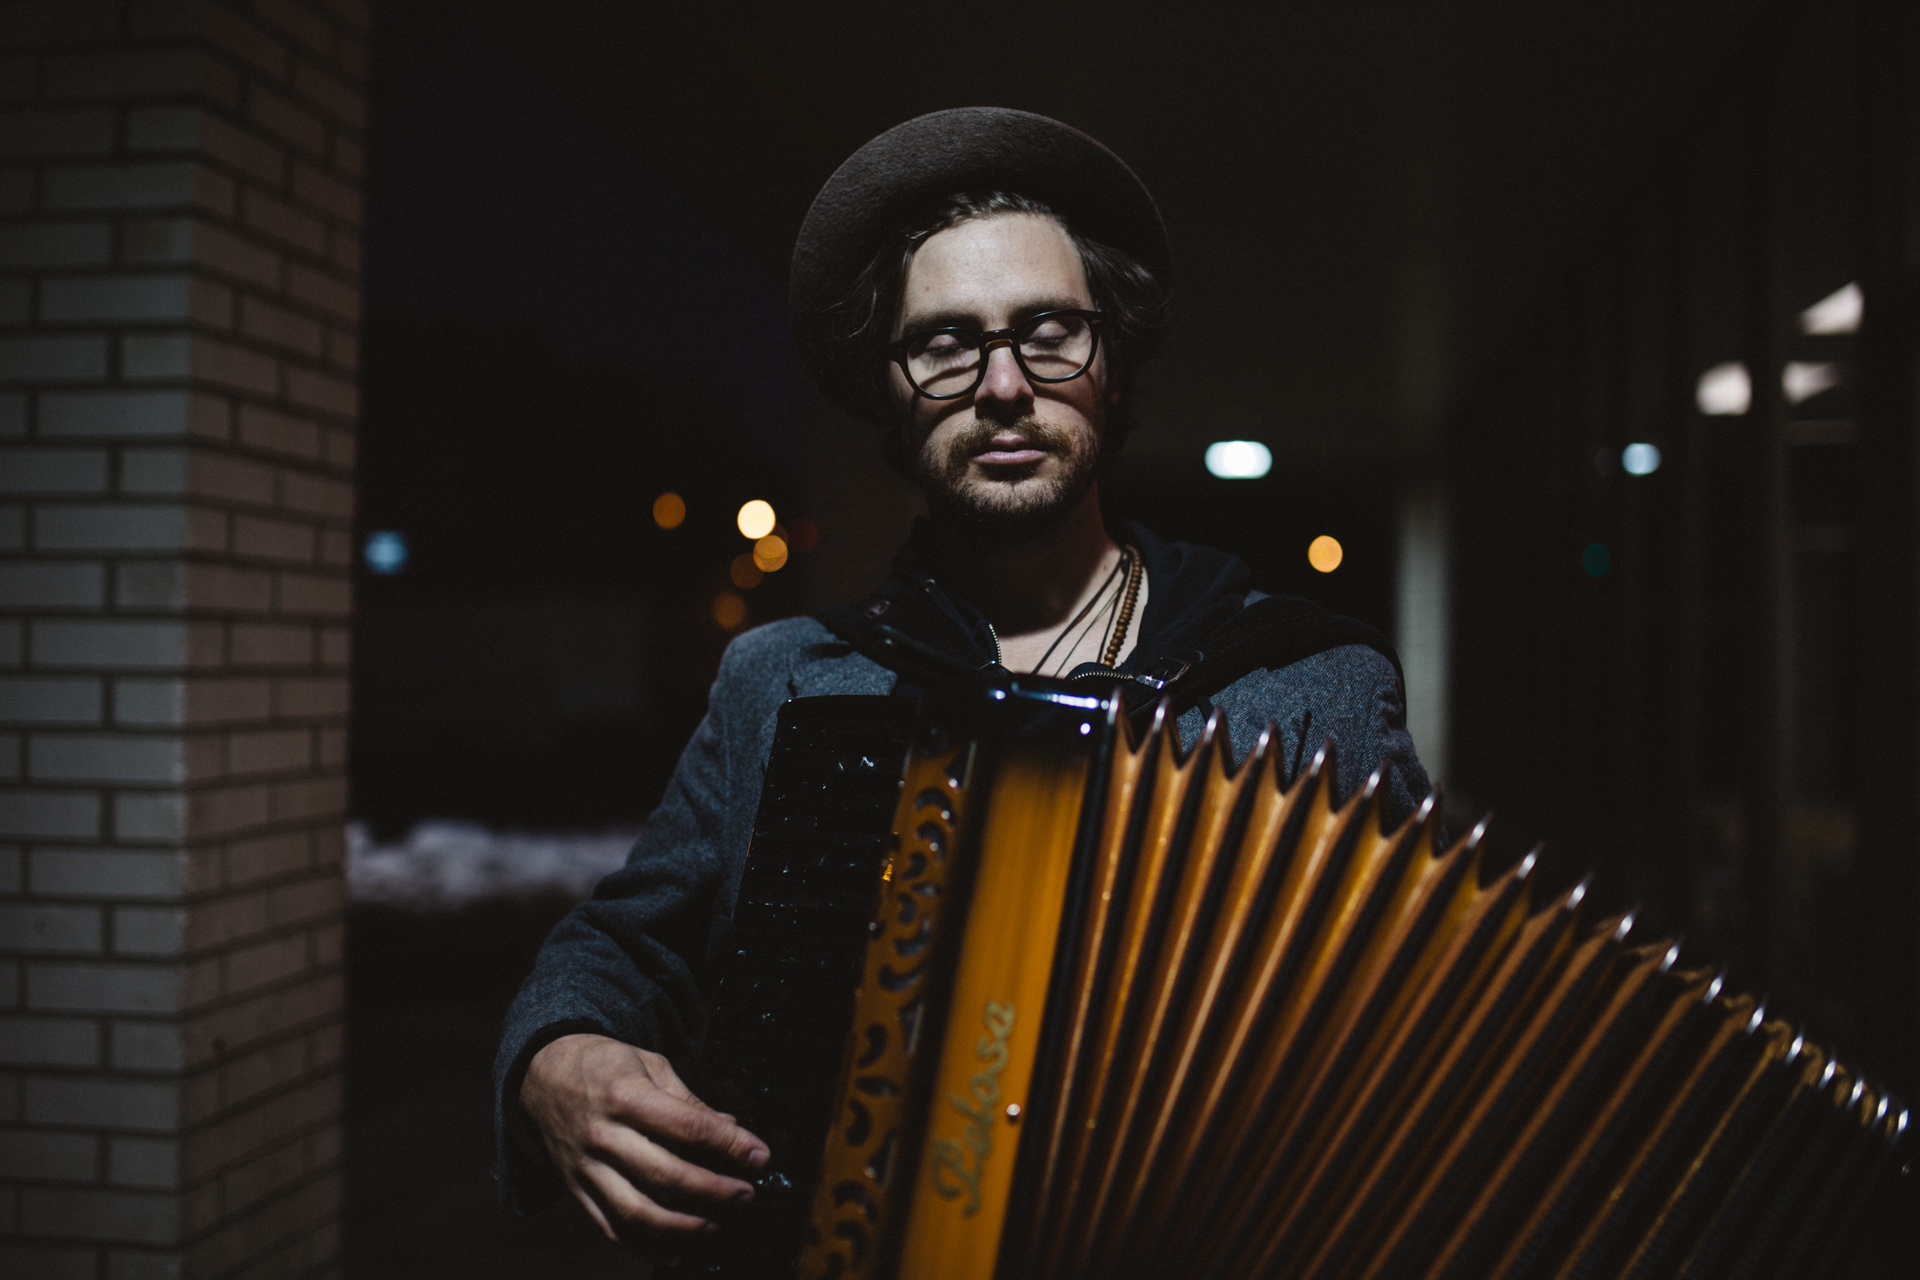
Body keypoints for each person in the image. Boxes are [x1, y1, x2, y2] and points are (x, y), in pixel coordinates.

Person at [493, 107, 1432, 1262]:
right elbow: (627, 939)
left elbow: (1415, 1059)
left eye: (1049, 333)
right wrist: (556, 1053)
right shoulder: (784, 681)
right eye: (945, 343)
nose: (1001, 384)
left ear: (1114, 362)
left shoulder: (1310, 693)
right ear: (892, 390)